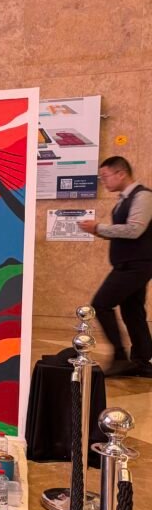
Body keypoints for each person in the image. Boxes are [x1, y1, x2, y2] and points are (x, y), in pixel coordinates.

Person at [78, 156, 152, 377]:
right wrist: (100, 231)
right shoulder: (124, 199)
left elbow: (134, 230)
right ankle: (142, 362)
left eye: (105, 176)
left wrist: (98, 228)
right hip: (130, 264)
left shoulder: (143, 196)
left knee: (100, 304)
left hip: (136, 265)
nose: (103, 181)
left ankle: (120, 357)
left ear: (121, 174)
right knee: (133, 311)